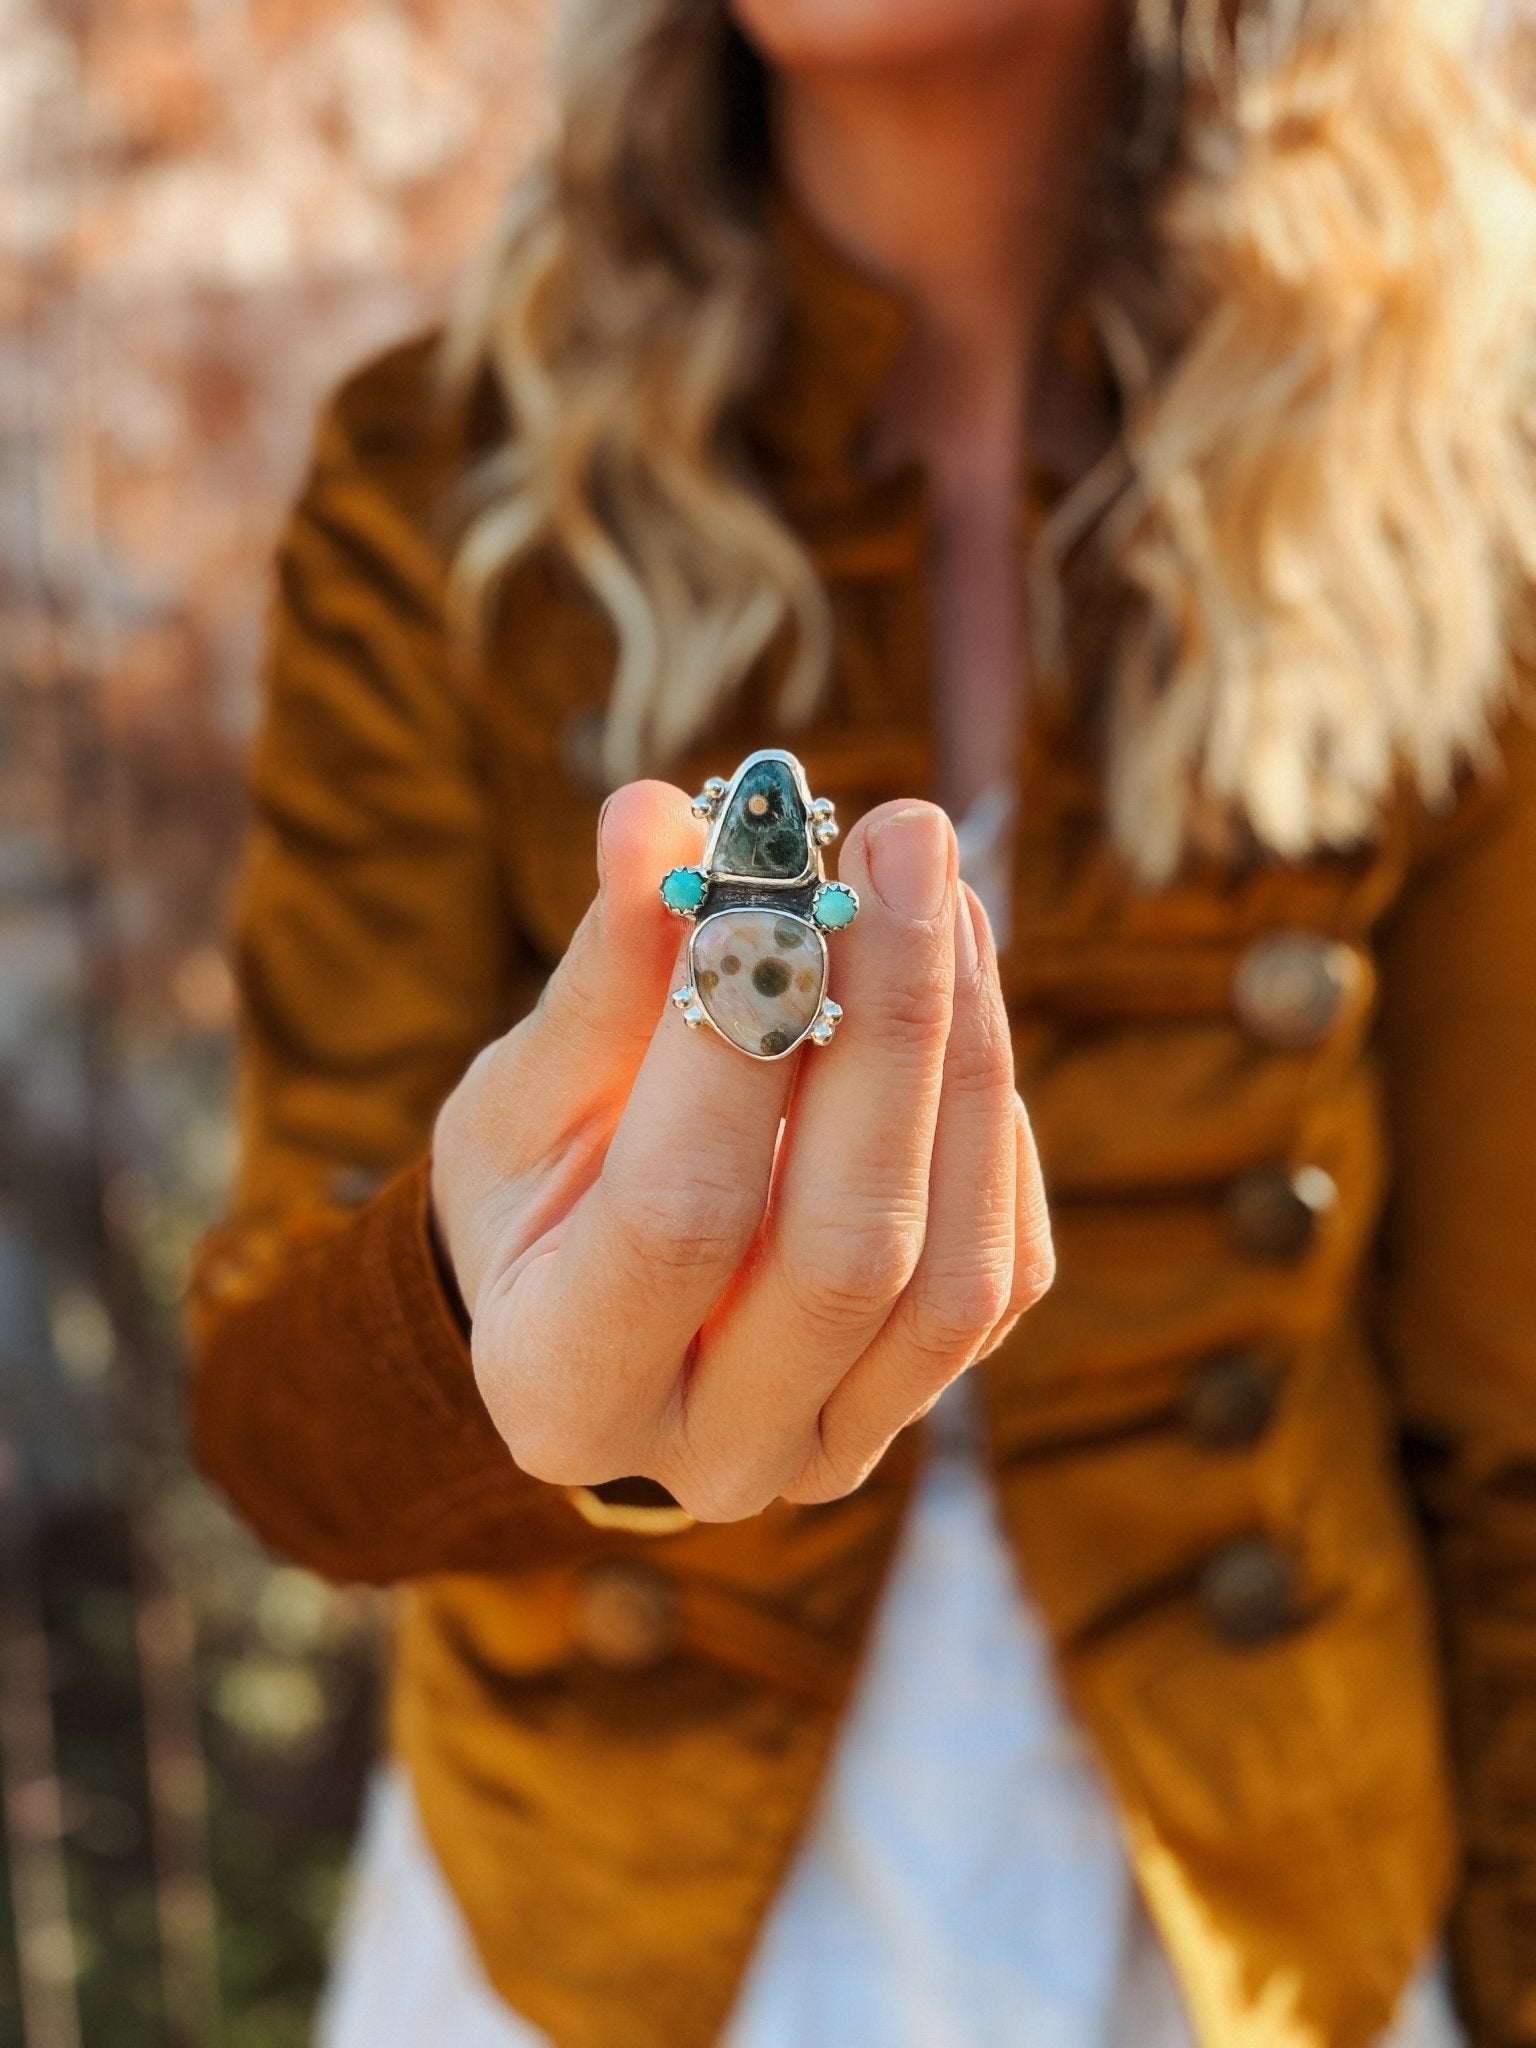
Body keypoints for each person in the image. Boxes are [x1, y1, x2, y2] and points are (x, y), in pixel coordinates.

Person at [186, 1, 1536, 2043]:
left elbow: (1510, 1420)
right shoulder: (440, 488)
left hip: (1256, 1916)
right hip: (594, 1925)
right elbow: (277, 1428)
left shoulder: (1447, 482)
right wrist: (462, 1314)